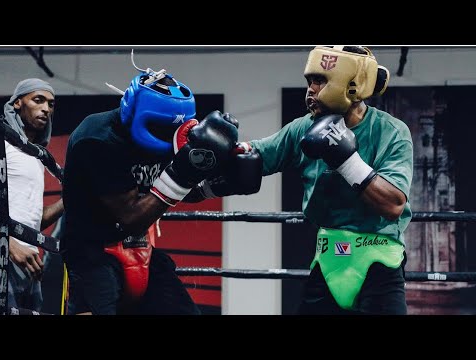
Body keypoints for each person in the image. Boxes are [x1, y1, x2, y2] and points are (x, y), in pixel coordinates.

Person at [189, 46, 413, 315]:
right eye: (309, 81)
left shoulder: (390, 132)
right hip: (328, 262)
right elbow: (257, 156)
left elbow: (393, 204)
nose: (311, 90)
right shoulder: (302, 128)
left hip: (378, 263)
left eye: (320, 81)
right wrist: (221, 150)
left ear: (353, 85)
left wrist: (346, 159)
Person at [60, 60, 240, 315]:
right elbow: (131, 217)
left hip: (139, 247)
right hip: (92, 251)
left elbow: (176, 190)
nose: (168, 134)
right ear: (134, 112)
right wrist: (182, 174)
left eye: (173, 128)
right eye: (161, 127)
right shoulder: (98, 140)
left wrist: (218, 184)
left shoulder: (165, 135)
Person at [0, 78, 65, 313]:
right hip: (3, 257)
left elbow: (33, 221)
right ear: (17, 103)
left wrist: (70, 199)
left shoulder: (37, 157)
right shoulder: (1, 144)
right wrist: (8, 244)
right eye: (38, 100)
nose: (46, 108)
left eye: (51, 104)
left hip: (31, 263)